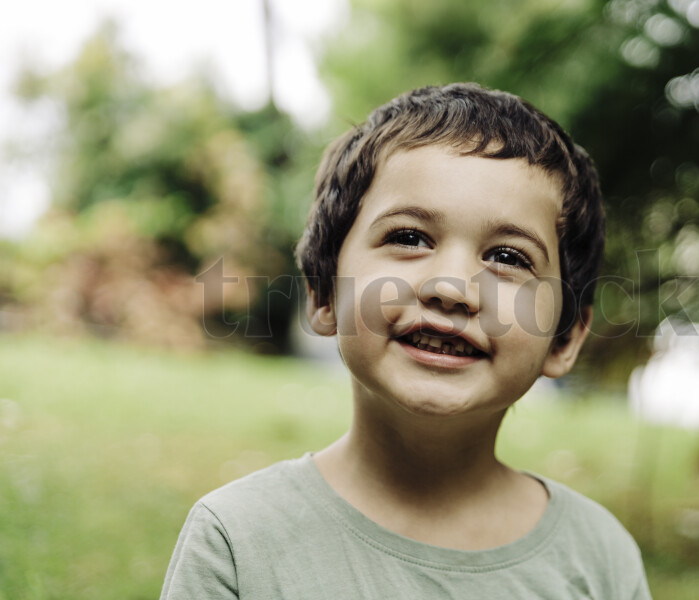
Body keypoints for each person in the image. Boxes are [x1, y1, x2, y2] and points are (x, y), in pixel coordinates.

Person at [160, 83, 652, 599]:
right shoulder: (236, 540)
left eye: (508, 257)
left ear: (564, 338)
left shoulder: (600, 559)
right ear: (324, 294)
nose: (451, 288)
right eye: (409, 237)